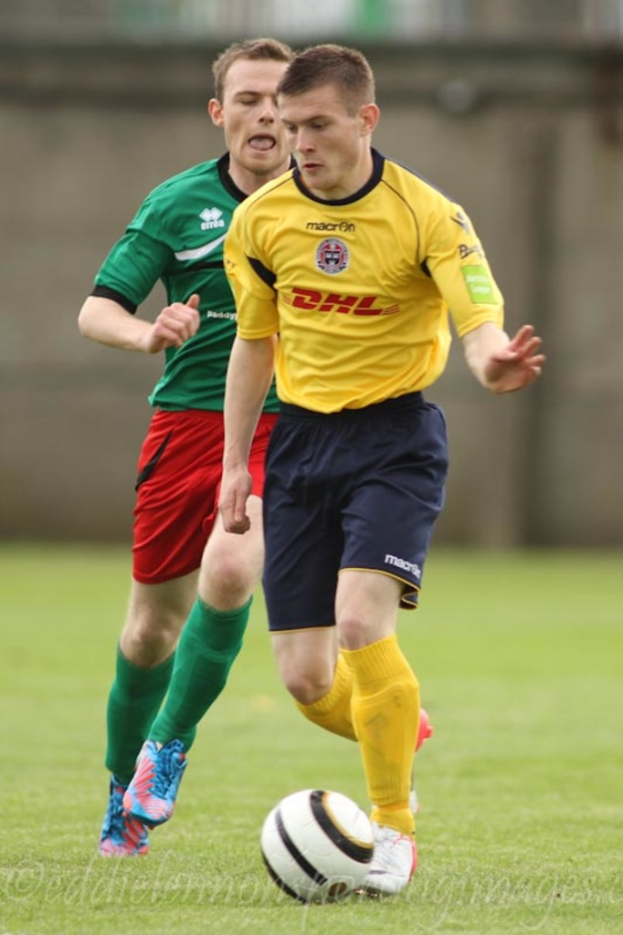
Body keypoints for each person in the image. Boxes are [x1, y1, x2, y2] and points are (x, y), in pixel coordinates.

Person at [219, 44, 545, 896]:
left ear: (367, 118)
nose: (299, 143)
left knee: (363, 625)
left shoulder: (430, 214)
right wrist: (233, 464)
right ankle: (399, 719)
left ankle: (394, 832)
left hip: (393, 441)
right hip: (297, 445)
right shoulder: (262, 221)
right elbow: (253, 345)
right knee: (303, 678)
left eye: (318, 124)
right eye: (288, 128)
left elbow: (478, 316)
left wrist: (490, 363)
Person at [78, 38, 295, 857]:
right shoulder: (179, 203)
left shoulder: (333, 202)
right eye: (247, 99)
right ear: (220, 113)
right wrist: (147, 333)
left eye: (279, 98)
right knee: (147, 634)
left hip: (289, 428)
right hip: (187, 427)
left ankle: (163, 755)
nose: (265, 113)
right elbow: (96, 309)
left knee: (235, 565)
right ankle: (119, 792)